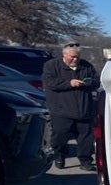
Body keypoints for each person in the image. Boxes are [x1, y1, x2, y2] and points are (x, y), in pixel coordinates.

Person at [42, 41, 98, 170]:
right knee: (60, 136)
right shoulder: (52, 66)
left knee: (86, 138)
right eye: (72, 56)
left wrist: (88, 84)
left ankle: (85, 160)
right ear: (64, 54)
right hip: (61, 110)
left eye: (77, 56)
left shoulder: (86, 66)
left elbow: (96, 81)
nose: (75, 59)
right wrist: (69, 83)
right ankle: (59, 155)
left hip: (84, 109)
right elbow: (49, 82)